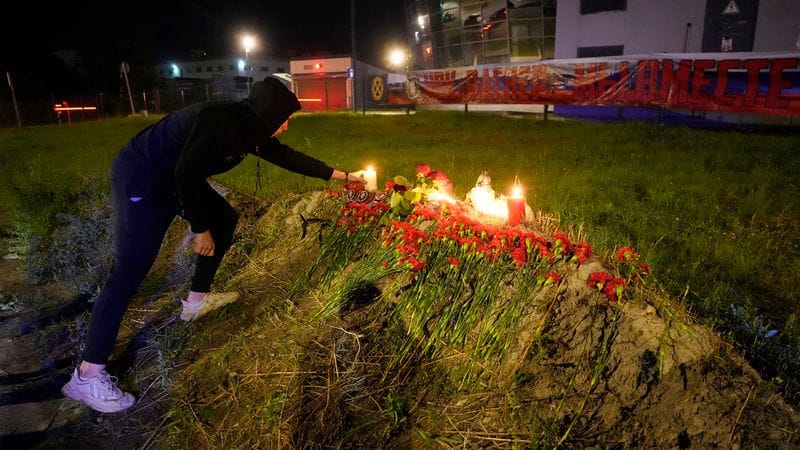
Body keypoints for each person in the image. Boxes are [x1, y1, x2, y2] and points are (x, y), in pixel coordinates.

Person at [61, 77, 365, 413]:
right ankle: (88, 376)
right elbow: (186, 175)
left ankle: (196, 301)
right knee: (128, 272)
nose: (287, 125)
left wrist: (342, 176)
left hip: (172, 177)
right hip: (142, 176)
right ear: (269, 113)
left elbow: (286, 157)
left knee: (225, 218)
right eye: (285, 118)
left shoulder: (252, 128)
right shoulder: (222, 120)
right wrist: (199, 228)